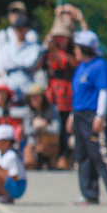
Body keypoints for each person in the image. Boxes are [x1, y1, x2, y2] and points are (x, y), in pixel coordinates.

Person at [69, 30, 107, 206]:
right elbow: (78, 93)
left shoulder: (100, 66)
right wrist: (72, 115)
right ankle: (89, 193)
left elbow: (104, 91)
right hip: (79, 114)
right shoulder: (80, 67)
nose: (75, 51)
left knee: (100, 154)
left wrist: (100, 115)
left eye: (78, 48)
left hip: (93, 114)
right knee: (82, 154)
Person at [41, 17, 77, 169]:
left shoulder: (73, 52)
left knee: (67, 126)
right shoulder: (50, 51)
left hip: (68, 91)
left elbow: (73, 64)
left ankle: (67, 155)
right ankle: (55, 156)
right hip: (55, 91)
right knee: (56, 125)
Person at [0, 17, 41, 101]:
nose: (20, 31)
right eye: (17, 28)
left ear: (27, 29)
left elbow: (30, 64)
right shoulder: (6, 47)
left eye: (22, 28)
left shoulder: (34, 47)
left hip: (27, 88)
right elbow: (4, 64)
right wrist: (22, 61)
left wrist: (13, 61)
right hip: (9, 88)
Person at [22, 83, 61, 169]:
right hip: (33, 143)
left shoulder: (52, 109)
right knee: (29, 163)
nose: (34, 99)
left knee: (46, 145)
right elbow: (26, 131)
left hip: (48, 142)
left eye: (37, 96)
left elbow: (56, 129)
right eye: (32, 97)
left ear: (42, 97)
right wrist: (36, 127)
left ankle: (52, 161)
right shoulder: (28, 111)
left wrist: (44, 126)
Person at [0, 1, 39, 65]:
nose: (15, 16)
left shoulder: (31, 34)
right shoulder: (2, 35)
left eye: (19, 13)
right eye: (13, 13)